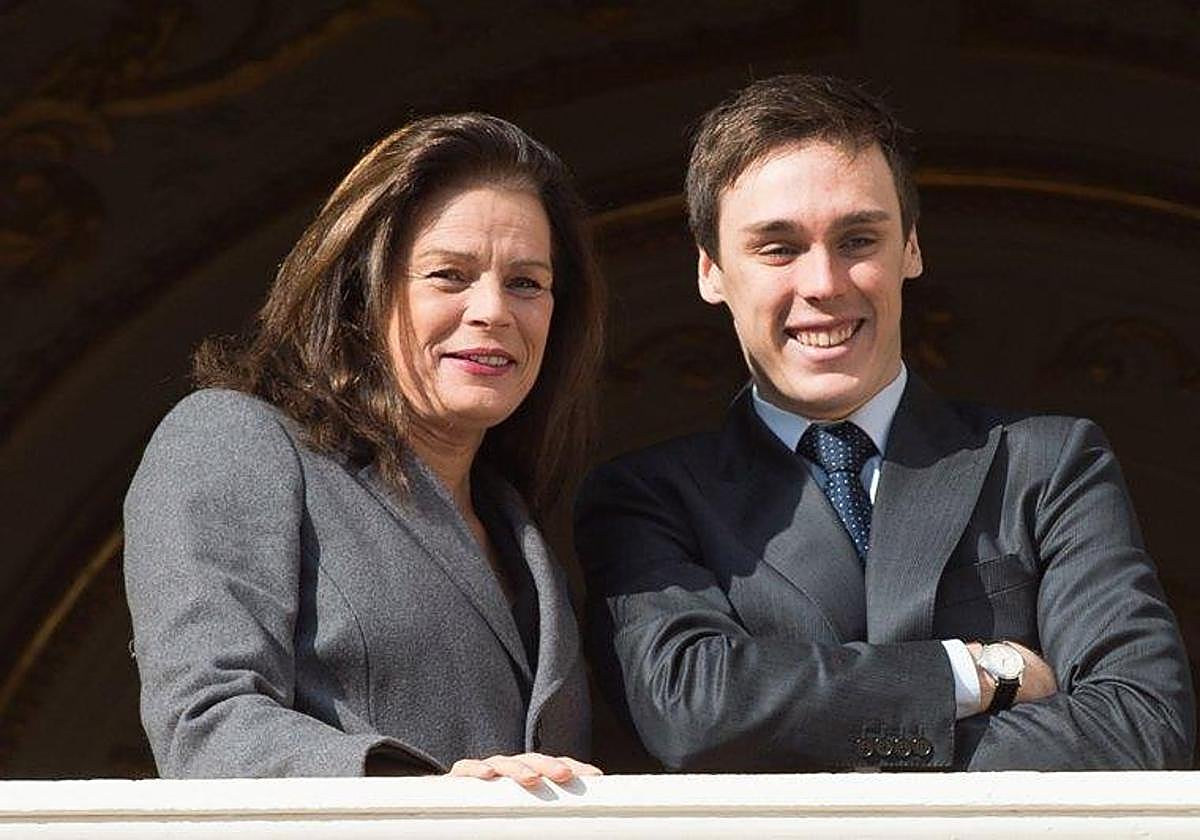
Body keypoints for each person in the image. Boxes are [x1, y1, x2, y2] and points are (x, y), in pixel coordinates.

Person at [575, 74, 1194, 771]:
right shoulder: (647, 498)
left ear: (911, 249)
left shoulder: (1048, 464)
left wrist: (820, 745)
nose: (824, 284)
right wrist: (973, 672)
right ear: (711, 271)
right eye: (778, 248)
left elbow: (1142, 728)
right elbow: (693, 708)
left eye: (858, 239)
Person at [124, 113, 605, 783]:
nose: (494, 310)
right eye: (449, 275)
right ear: (361, 294)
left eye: (526, 282)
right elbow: (205, 723)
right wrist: (428, 800)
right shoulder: (234, 439)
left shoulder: (516, 525)